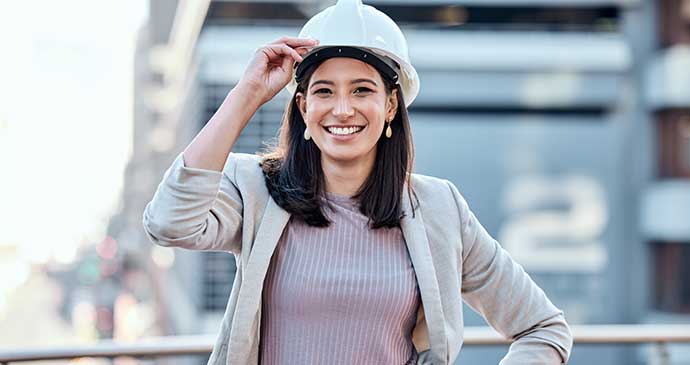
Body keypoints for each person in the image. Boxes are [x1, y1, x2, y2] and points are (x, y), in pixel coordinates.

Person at [142, 0, 573, 364]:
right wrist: (248, 94)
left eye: (362, 90)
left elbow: (543, 328)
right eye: (324, 91)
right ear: (303, 109)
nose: (343, 109)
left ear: (390, 107)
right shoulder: (254, 188)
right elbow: (168, 224)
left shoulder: (439, 209)